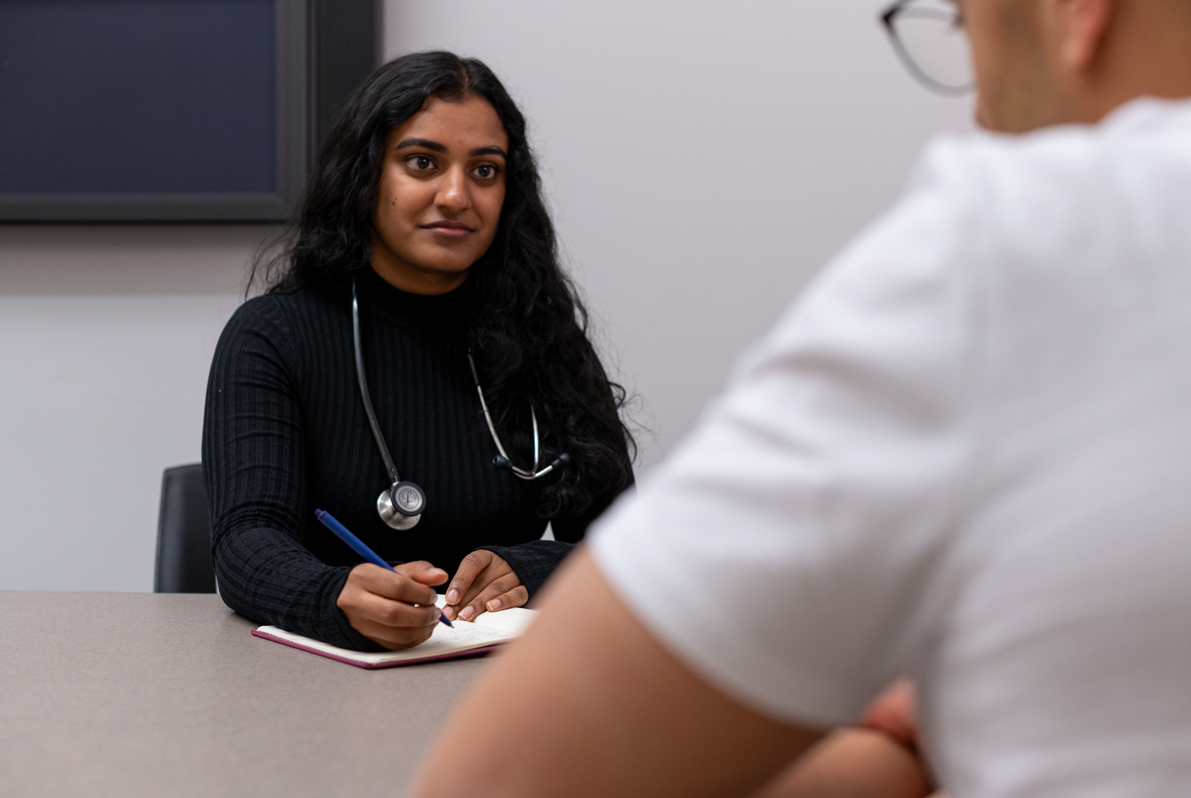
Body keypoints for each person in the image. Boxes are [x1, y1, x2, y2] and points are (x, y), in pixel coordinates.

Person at [413, 0, 1191, 795]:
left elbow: (499, 782)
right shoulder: (284, 336)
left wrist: (900, 755)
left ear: (1079, 13)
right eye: (421, 164)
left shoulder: (1034, 238)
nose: (981, 112)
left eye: (966, 28)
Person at [202, 51, 633, 652]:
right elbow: (247, 542)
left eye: (485, 171)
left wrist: (529, 571)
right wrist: (334, 596)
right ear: (367, 174)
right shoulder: (273, 336)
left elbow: (627, 549)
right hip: (313, 686)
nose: (457, 195)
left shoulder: (545, 339)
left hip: (494, 684)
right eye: (422, 163)